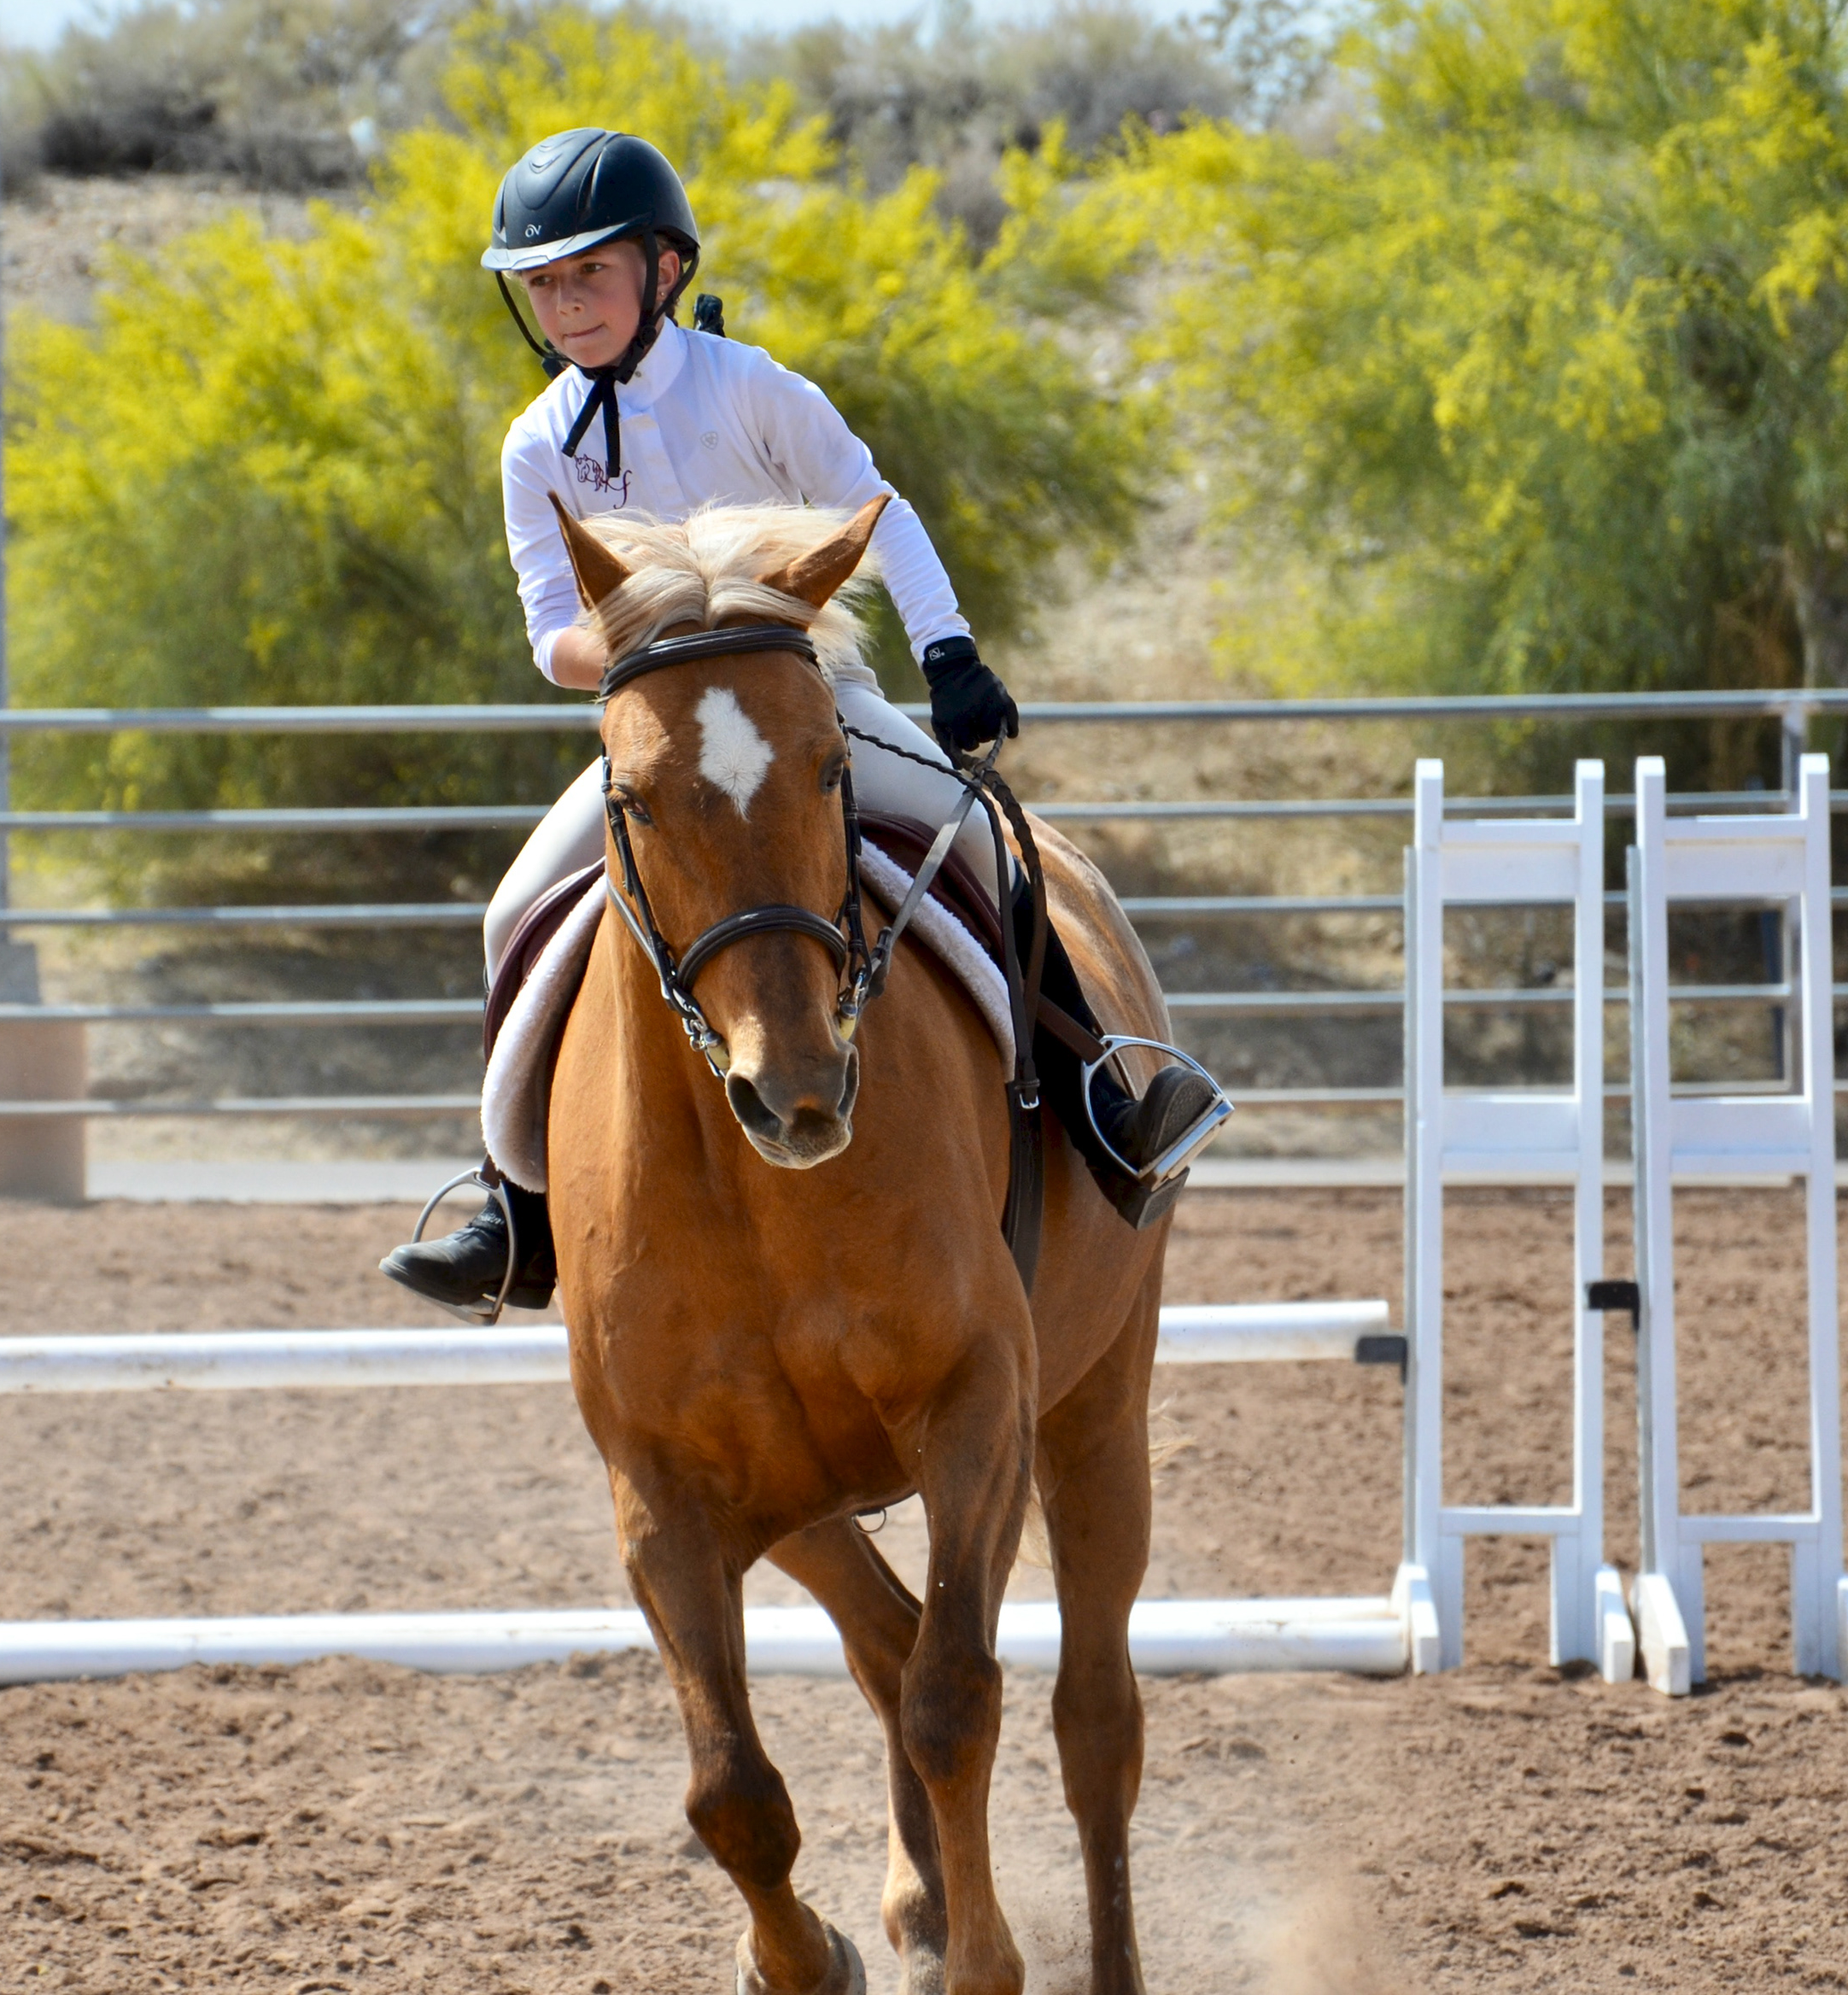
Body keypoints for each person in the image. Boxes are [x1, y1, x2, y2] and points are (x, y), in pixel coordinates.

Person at [379, 126, 1223, 1322]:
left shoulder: (755, 391)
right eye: (544, 284)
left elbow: (880, 514)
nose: (565, 305)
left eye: (590, 275)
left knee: (979, 837)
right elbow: (552, 639)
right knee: (514, 908)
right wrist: (657, 649)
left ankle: (1105, 1101)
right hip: (662, 749)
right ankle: (516, 1207)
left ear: (663, 270)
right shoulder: (536, 447)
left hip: (820, 711)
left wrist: (950, 653)